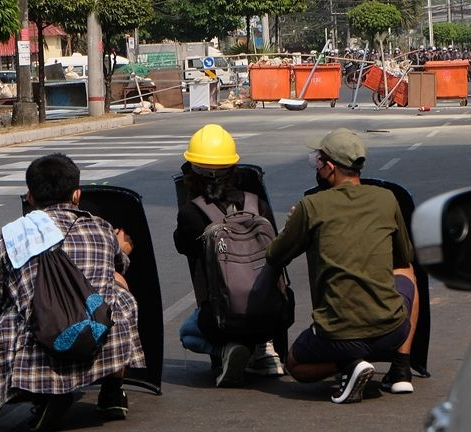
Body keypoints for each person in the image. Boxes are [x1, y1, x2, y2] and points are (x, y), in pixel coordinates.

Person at [0, 153, 144, 432]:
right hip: (97, 340)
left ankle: (45, 393)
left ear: (30, 197)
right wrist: (124, 250)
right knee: (121, 294)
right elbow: (117, 267)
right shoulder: (101, 228)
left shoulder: (11, 236)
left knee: (16, 310)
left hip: (40, 345)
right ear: (77, 195)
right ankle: (113, 390)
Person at [265, 129, 419, 404]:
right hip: (391, 332)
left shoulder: (311, 205)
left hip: (336, 335)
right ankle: (401, 370)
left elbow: (275, 255)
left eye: (318, 162)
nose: (317, 166)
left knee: (295, 366)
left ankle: (349, 365)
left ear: (330, 168)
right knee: (407, 271)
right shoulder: (386, 199)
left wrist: (294, 223)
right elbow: (403, 256)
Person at [173, 124, 285, 387]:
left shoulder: (191, 213)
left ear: (192, 173)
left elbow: (184, 248)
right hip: (274, 314)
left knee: (188, 333)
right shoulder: (258, 204)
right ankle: (264, 350)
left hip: (224, 319)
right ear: (233, 169)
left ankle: (227, 349)